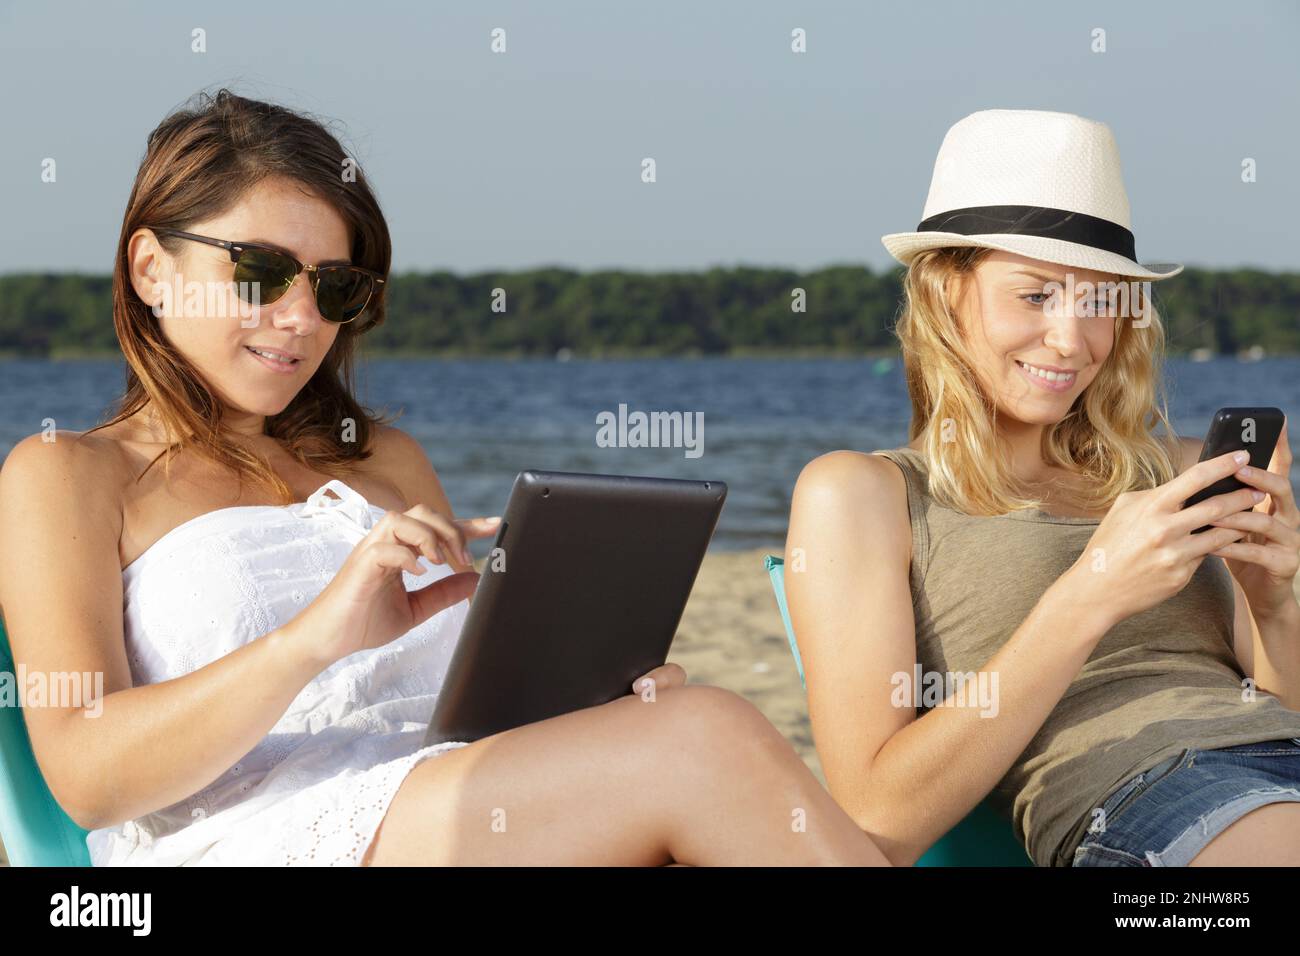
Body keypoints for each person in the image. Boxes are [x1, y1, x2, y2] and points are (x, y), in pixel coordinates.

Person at [0, 88, 892, 866]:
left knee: (686, 734)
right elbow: (86, 779)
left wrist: (596, 706)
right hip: (257, 831)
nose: (301, 318)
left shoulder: (381, 459)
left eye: (336, 288)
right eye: (262, 272)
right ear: (152, 268)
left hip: (463, 804)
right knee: (709, 741)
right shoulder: (68, 474)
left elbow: (468, 703)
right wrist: (316, 637)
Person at [786, 109, 1300, 867]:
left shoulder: (1184, 469)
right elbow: (877, 818)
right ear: (944, 295)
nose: (1072, 339)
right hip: (1155, 794)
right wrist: (1092, 590)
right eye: (1035, 296)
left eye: (1100, 302)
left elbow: (1281, 709)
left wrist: (1273, 598)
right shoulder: (864, 494)